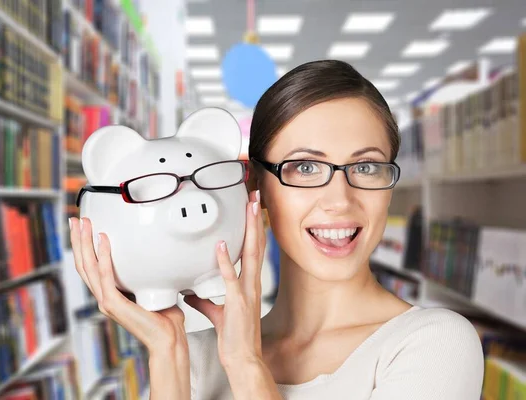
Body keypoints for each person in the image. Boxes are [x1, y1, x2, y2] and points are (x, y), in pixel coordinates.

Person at [68, 60, 485, 400]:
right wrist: (168, 350)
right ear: (256, 186)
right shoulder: (192, 356)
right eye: (305, 167)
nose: (340, 200)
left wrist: (248, 365)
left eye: (365, 167)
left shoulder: (434, 344)